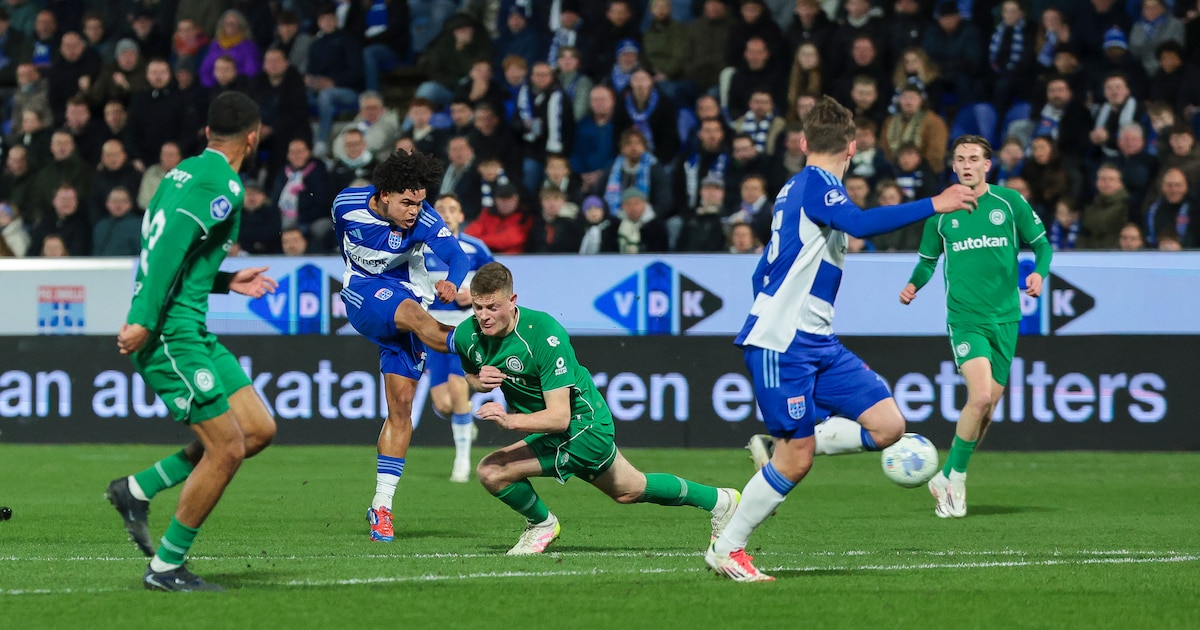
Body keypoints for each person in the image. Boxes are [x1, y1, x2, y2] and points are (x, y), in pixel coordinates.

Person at [707, 96, 977, 582]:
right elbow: (859, 225)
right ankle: (728, 548)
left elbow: (763, 268)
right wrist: (936, 202)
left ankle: (776, 444)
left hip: (816, 341)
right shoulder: (816, 186)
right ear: (853, 147)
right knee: (798, 462)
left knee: (889, 424)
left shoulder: (797, 187)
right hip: (782, 343)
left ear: (804, 142)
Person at [104, 91, 278, 592]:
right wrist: (142, 318)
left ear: (207, 133)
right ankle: (166, 568)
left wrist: (226, 281)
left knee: (257, 430)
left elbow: (174, 250)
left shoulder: (181, 173)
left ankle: (138, 489)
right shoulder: (221, 183)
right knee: (226, 449)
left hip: (192, 328)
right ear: (254, 136)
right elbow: (168, 249)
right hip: (170, 333)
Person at [456, 262, 740, 555]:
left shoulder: (544, 334)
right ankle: (721, 501)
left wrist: (509, 421)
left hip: (582, 426)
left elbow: (558, 417)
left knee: (492, 471)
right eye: (478, 307)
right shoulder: (469, 334)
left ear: (512, 301)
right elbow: (470, 375)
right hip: (557, 431)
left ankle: (541, 525)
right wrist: (479, 381)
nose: (484, 317)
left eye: (493, 307)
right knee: (631, 489)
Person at [899, 135, 1052, 519]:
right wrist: (914, 284)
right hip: (965, 319)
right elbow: (928, 261)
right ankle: (958, 479)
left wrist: (1040, 273)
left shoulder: (1009, 203)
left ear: (988, 164)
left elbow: (1043, 245)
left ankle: (945, 474)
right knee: (980, 396)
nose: (966, 165)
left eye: (973, 159)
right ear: (953, 167)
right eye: (960, 159)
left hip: (1006, 317)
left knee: (987, 409)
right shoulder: (941, 213)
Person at [332, 149, 470, 543]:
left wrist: (451, 282)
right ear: (384, 194)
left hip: (412, 296)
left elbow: (456, 258)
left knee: (401, 409)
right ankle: (478, 347)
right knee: (413, 314)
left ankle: (382, 506)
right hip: (363, 293)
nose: (415, 210)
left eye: (420, 201)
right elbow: (342, 240)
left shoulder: (425, 220)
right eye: (407, 202)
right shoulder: (346, 203)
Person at [422, 193, 494, 482]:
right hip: (432, 329)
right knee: (443, 404)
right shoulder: (421, 247)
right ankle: (467, 424)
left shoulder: (475, 248)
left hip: (465, 330)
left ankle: (462, 463)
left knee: (456, 386)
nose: (447, 214)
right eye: (441, 209)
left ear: (462, 216)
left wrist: (476, 298)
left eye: (453, 209)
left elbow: (497, 282)